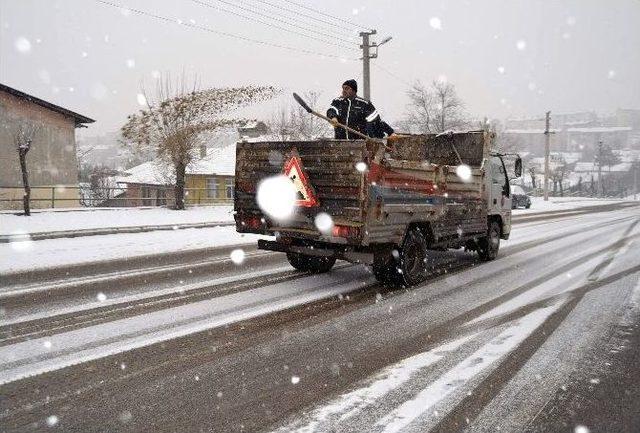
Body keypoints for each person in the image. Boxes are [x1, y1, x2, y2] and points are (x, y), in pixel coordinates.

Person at [326, 79, 396, 139]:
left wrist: (390, 132)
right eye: (343, 88)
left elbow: (376, 121)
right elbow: (331, 110)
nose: (343, 91)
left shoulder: (364, 104)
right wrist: (333, 117)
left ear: (353, 90)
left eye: (346, 88)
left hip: (359, 144)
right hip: (340, 143)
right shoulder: (338, 101)